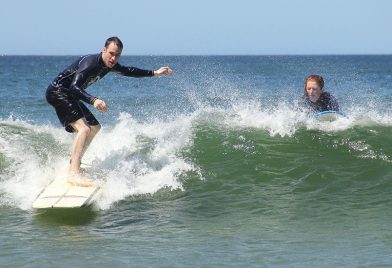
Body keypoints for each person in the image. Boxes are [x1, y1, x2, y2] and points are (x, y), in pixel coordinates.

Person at [46, 36, 172, 186]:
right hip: (58, 92)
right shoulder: (91, 63)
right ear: (104, 50)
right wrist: (94, 100)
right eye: (111, 53)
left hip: (70, 95)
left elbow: (128, 70)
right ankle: (74, 173)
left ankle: (75, 163)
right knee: (84, 129)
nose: (113, 58)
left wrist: (155, 73)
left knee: (94, 127)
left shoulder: (109, 65)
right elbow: (74, 87)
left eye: (117, 55)